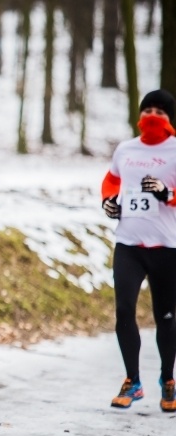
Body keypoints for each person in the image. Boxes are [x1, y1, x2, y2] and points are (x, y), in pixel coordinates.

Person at [102, 89, 176, 412]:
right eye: (148, 109)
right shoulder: (125, 149)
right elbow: (112, 181)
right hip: (129, 244)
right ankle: (133, 380)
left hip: (167, 247)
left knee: (167, 318)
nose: (153, 115)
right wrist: (109, 202)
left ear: (170, 118)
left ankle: (168, 379)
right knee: (123, 312)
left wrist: (166, 193)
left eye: (160, 111)